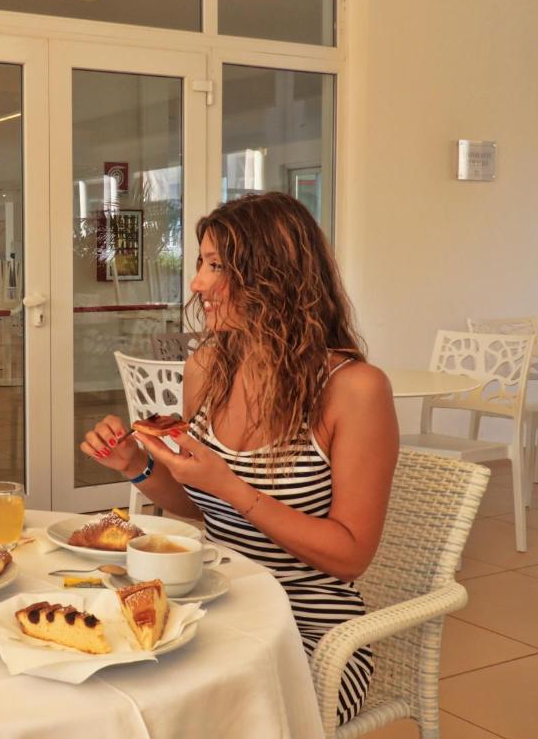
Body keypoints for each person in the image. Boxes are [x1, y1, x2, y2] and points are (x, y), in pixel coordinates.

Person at [81, 192, 398, 726]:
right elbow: (203, 508)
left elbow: (350, 556)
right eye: (200, 264)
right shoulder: (208, 366)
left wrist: (233, 488)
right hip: (213, 608)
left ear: (274, 276)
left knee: (180, 718)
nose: (198, 283)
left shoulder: (354, 389)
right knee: (105, 697)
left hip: (308, 635)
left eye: (215, 266)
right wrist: (136, 464)